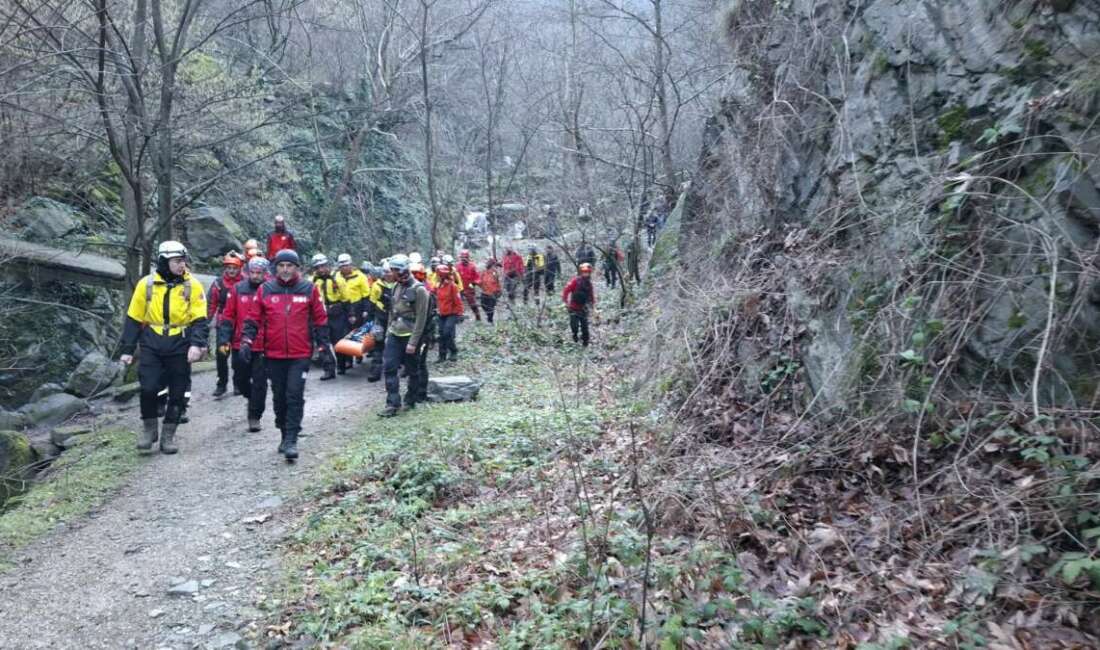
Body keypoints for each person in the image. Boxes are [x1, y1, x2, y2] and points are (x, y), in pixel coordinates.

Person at [118, 241, 209, 454]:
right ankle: (149, 430)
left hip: (180, 340)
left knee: (178, 391)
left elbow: (200, 319)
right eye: (177, 261)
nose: (181, 266)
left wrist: (197, 344)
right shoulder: (146, 284)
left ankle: (168, 435)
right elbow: (133, 319)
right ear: (164, 261)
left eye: (183, 261)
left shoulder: (192, 285)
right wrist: (127, 350)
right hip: (152, 340)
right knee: (148, 387)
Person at [241, 250, 328, 461]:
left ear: (297, 268)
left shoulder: (309, 289)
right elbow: (253, 318)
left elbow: (320, 319)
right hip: (273, 353)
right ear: (276, 268)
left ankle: (291, 439)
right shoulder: (266, 289)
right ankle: (283, 432)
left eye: (290, 265)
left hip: (301, 353)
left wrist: (324, 347)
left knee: (294, 394)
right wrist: (246, 340)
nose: (286, 269)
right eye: (281, 266)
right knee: (279, 397)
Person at [218, 257, 270, 432]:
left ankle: (254, 415)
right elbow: (228, 316)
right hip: (240, 343)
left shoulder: (271, 289)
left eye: (259, 273)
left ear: (265, 273)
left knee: (260, 382)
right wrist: (224, 339)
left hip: (264, 344)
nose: (256, 276)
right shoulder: (237, 289)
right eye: (253, 272)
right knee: (240, 379)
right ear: (248, 272)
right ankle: (251, 397)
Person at [379, 255, 429, 417]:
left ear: (400, 270)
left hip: (410, 335)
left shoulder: (419, 290)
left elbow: (421, 318)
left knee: (412, 370)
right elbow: (391, 313)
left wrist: (413, 342)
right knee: (389, 368)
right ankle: (392, 403)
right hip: (395, 333)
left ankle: (411, 399)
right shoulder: (395, 287)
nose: (389, 273)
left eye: (392, 270)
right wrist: (388, 333)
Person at [208, 252, 245, 398]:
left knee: (238, 357)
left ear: (239, 268)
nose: (231, 271)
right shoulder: (218, 283)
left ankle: (238, 383)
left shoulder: (244, 282)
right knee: (222, 355)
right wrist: (205, 322)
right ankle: (221, 384)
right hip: (223, 325)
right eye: (229, 267)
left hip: (240, 324)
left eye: (234, 268)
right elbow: (211, 304)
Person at [309, 253, 346, 379]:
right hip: (319, 314)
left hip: (336, 313)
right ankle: (328, 369)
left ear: (328, 265)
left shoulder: (338, 279)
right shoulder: (311, 282)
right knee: (322, 342)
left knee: (338, 341)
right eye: (318, 267)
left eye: (323, 266)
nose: (321, 269)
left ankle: (342, 364)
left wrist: (350, 314)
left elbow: (346, 298)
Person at [409, 262, 437, 402]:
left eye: (418, 274)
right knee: (413, 363)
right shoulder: (407, 289)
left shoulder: (426, 291)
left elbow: (427, 316)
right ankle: (413, 392)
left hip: (423, 332)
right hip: (410, 331)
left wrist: (428, 335)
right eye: (414, 274)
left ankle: (421, 393)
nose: (416, 277)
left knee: (420, 363)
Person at [562, 262, 596, 347]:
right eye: (584, 272)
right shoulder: (575, 281)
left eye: (587, 272)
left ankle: (585, 343)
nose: (586, 273)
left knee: (585, 327)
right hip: (573, 308)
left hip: (584, 309)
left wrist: (593, 306)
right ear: (581, 272)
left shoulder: (589, 284)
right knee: (574, 326)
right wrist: (565, 301)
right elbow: (566, 290)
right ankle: (575, 338)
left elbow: (591, 295)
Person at [435, 264, 463, 362]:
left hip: (452, 313)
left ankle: (453, 351)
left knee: (447, 333)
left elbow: (458, 301)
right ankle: (442, 356)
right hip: (441, 313)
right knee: (441, 334)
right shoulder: (438, 286)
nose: (437, 276)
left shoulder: (453, 286)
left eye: (439, 274)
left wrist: (460, 314)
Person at [455, 249, 481, 321]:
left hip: (469, 288)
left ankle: (478, 316)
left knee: (472, 304)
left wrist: (473, 283)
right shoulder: (457, 266)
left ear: (468, 258)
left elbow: (478, 278)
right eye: (462, 258)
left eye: (465, 257)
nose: (463, 259)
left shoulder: (472, 266)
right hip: (459, 288)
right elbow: (454, 276)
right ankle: (459, 318)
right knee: (457, 303)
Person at [479, 258, 502, 324]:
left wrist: (499, 291)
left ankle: (490, 320)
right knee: (483, 305)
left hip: (493, 293)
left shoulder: (495, 273)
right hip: (484, 292)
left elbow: (498, 282)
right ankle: (489, 316)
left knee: (491, 307)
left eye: (489, 263)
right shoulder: (483, 272)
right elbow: (480, 280)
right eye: (487, 263)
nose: (487, 264)